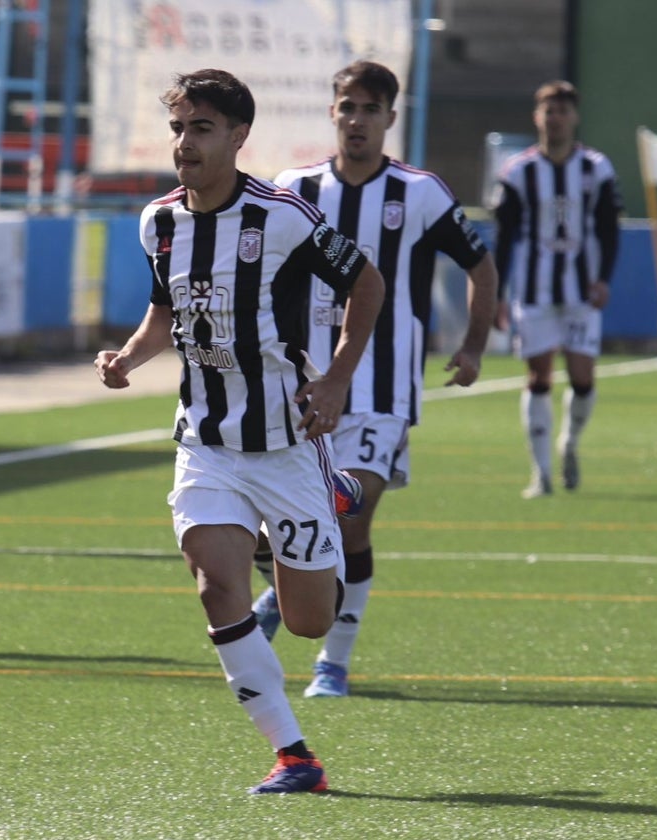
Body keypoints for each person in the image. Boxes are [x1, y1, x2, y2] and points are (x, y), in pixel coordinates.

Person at [94, 69, 384, 794]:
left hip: (288, 442)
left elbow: (367, 284)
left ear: (237, 137)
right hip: (207, 441)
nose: (183, 143)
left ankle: (328, 493)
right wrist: (127, 357)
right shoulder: (156, 223)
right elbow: (164, 312)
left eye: (200, 129)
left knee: (310, 621)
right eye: (177, 128)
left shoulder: (282, 217)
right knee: (213, 585)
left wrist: (338, 378)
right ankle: (295, 756)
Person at [252, 60, 498, 697]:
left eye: (370, 109)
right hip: (303, 385)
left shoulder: (419, 193)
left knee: (350, 515)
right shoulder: (294, 188)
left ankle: (333, 660)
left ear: (391, 117)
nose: (356, 120)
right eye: (346, 107)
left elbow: (481, 266)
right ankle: (287, 593)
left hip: (382, 389)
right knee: (286, 517)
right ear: (332, 113)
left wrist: (473, 345)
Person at [492, 80, 622, 498]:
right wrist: (496, 295)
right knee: (538, 376)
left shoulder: (596, 168)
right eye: (549, 111)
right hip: (534, 291)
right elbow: (504, 236)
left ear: (574, 117)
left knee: (583, 377)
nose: (556, 119)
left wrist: (604, 278)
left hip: (581, 291)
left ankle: (569, 444)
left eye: (563, 111)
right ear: (537, 117)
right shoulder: (518, 171)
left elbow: (608, 228)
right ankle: (541, 473)